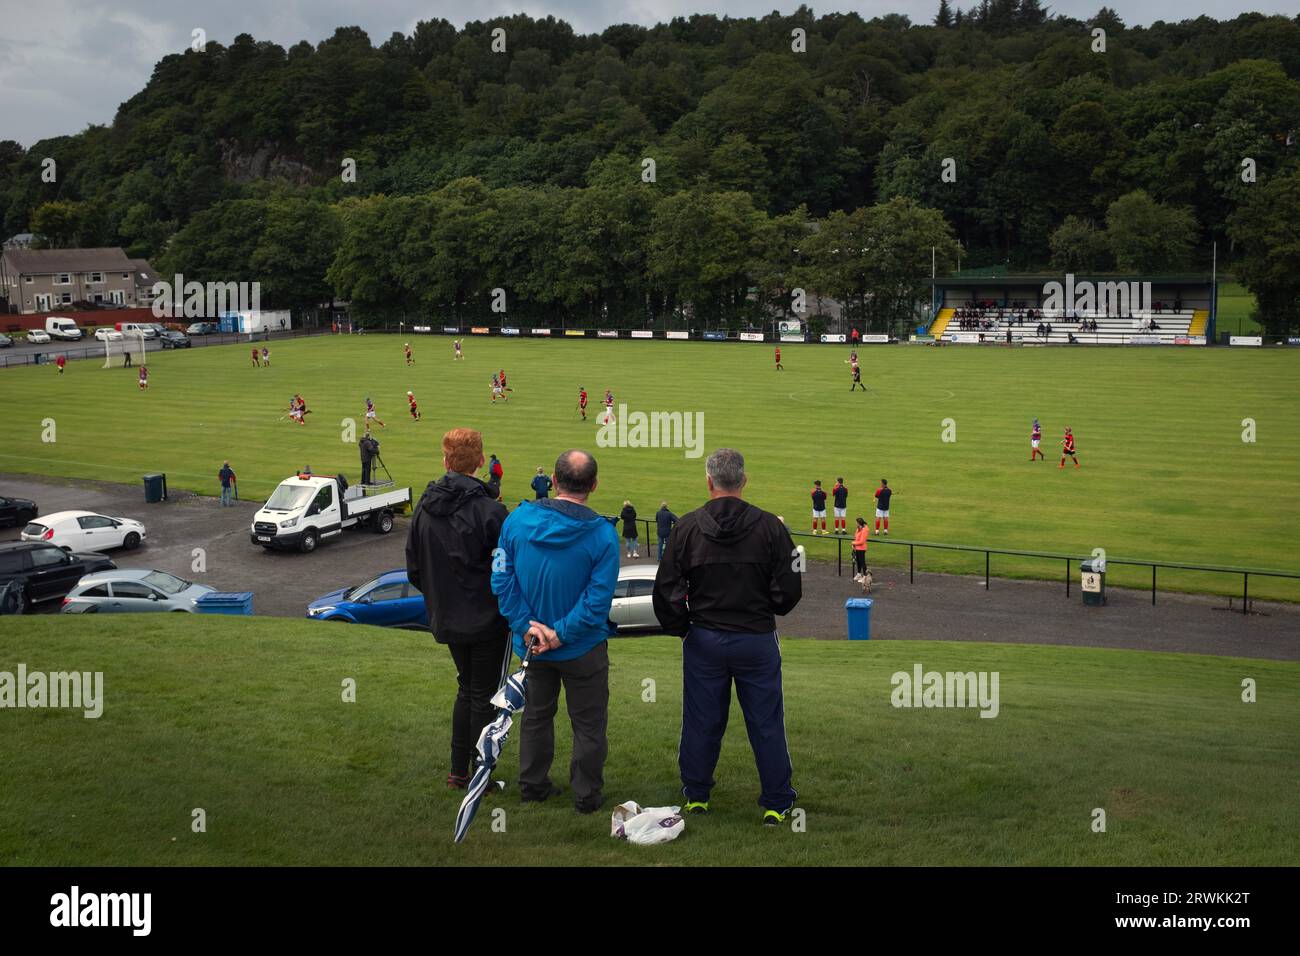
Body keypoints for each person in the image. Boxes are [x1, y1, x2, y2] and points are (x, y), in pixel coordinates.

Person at [651, 447, 802, 826]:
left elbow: (665, 588)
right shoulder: (771, 527)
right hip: (753, 637)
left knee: (702, 719)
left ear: (709, 481)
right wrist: (767, 608)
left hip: (706, 637)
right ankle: (776, 802)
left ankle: (697, 794)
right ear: (743, 481)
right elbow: (790, 586)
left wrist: (684, 626)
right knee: (766, 721)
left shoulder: (686, 527)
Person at [490, 449, 620, 813]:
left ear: (555, 482)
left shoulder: (516, 520)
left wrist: (529, 630)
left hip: (535, 648)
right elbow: (597, 602)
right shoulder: (603, 536)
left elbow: (500, 578)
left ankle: (533, 786)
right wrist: (557, 634)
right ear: (593, 485)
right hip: (581, 648)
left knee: (535, 715)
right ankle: (586, 795)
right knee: (589, 724)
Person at [406, 428, 512, 791]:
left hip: (448, 615)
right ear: (482, 462)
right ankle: (477, 772)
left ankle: (459, 771)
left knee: (468, 689)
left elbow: (415, 569)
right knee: (482, 694)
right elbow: (509, 569)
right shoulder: (491, 511)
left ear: (445, 461)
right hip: (486, 619)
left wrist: (442, 598)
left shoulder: (424, 507)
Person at [852, 517, 870, 583]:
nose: (855, 524)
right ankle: (859, 574)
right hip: (857, 548)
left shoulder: (864, 530)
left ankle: (865, 577)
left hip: (862, 549)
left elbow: (862, 541)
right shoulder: (859, 528)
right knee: (858, 562)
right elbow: (856, 537)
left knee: (862, 562)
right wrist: (854, 545)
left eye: (856, 522)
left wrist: (853, 543)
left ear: (858, 523)